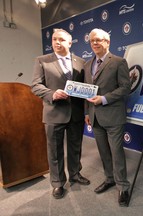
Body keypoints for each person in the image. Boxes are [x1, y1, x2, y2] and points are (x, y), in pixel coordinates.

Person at [31, 28, 90, 199]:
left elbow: (85, 90)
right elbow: (36, 85)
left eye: (61, 40)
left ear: (70, 43)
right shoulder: (42, 61)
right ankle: (57, 183)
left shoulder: (81, 62)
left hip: (76, 114)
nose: (57, 42)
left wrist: (87, 111)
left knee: (75, 147)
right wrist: (52, 94)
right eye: (54, 39)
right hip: (54, 113)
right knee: (54, 151)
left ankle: (75, 174)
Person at [84, 28, 131, 207]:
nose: (94, 43)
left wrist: (104, 99)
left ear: (107, 42)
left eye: (98, 40)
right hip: (95, 117)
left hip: (113, 116)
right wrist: (87, 112)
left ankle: (123, 186)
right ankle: (109, 179)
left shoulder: (119, 62)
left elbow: (125, 88)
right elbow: (86, 91)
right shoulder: (88, 65)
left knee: (117, 153)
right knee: (104, 152)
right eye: (92, 41)